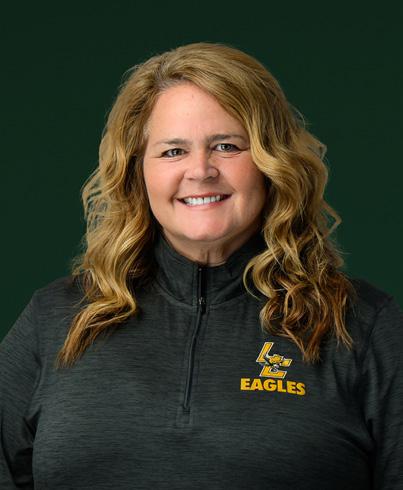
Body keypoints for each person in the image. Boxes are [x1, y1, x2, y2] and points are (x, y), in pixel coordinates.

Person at [1, 41, 402, 490]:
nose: (201, 170)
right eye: (173, 151)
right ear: (138, 172)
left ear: (272, 162)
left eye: (227, 146)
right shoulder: (55, 320)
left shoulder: (362, 326)